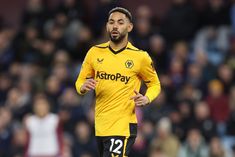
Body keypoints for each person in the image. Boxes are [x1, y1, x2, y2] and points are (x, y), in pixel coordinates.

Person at [75, 7, 161, 157]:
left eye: (120, 22)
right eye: (111, 22)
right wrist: (82, 87)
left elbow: (155, 84)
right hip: (100, 125)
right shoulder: (94, 52)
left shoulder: (140, 57)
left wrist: (147, 98)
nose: (115, 26)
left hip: (123, 125)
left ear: (130, 27)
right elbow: (80, 81)